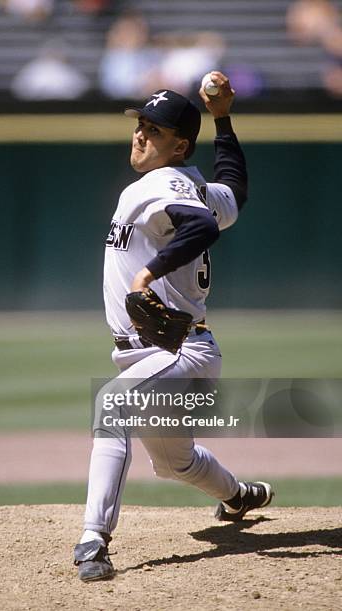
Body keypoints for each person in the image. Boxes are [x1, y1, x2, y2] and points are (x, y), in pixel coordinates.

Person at [74, 72, 274, 582]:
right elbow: (235, 193)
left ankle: (93, 541)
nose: (140, 134)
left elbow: (202, 226)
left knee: (112, 406)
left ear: (179, 145)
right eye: (141, 124)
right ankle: (239, 496)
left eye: (154, 130)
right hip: (171, 353)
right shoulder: (196, 187)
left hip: (178, 350)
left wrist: (147, 272)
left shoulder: (161, 184)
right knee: (175, 464)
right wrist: (224, 118)